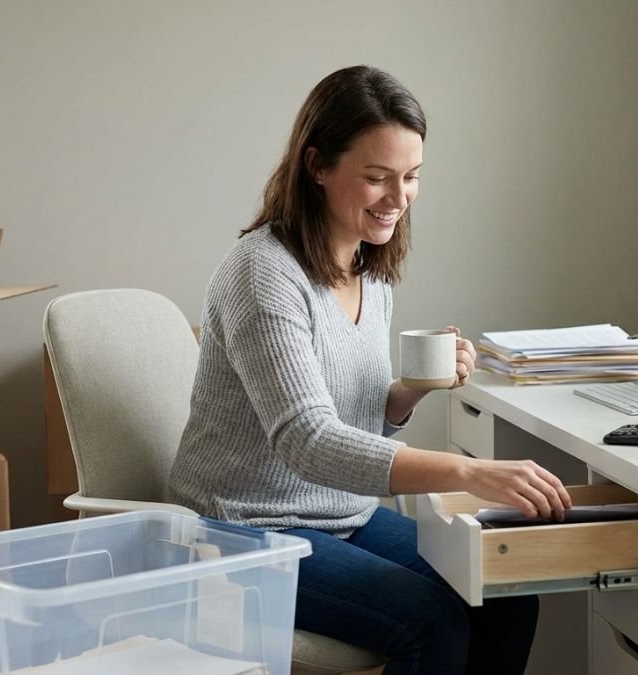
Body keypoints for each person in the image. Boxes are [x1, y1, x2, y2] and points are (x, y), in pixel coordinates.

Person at [168, 65, 572, 675]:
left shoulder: (369, 266)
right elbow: (309, 441)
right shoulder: (263, 274)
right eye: (377, 178)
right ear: (318, 166)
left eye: (411, 178)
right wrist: (470, 473)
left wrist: (408, 391)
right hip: (241, 530)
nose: (399, 198)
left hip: (341, 517)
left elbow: (351, 420)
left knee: (504, 594)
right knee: (430, 620)